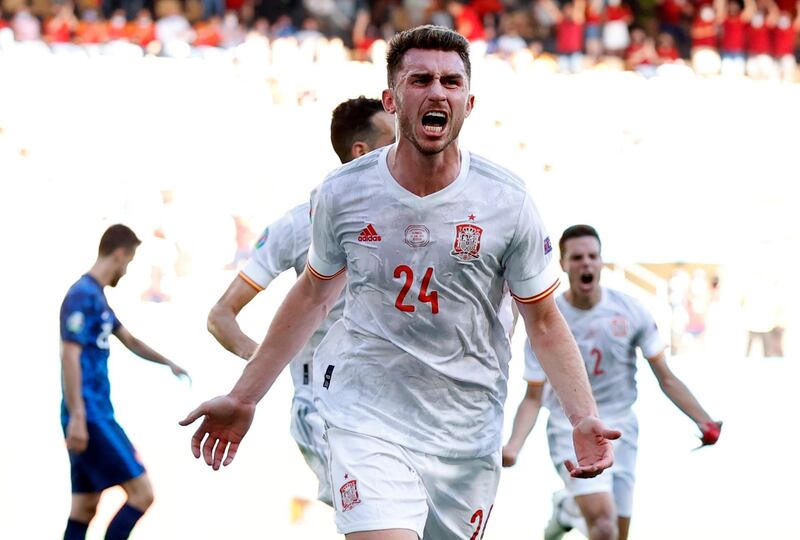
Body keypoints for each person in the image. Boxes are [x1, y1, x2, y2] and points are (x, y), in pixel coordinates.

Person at [181, 26, 618, 540]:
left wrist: (582, 415)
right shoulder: (342, 193)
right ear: (392, 99)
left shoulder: (508, 201)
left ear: (469, 102)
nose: (437, 92)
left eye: (451, 82)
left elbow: (543, 319)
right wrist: (246, 395)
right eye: (421, 80)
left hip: (466, 430)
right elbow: (314, 294)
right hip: (368, 417)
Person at [206, 96, 395, 506]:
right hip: (322, 408)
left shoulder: (408, 222)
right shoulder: (299, 225)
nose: (403, 150)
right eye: (392, 141)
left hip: (391, 405)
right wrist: (267, 360)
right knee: (377, 515)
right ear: (361, 153)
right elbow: (221, 315)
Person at [502, 224, 722, 540]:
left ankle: (566, 510)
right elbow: (534, 396)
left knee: (617, 534)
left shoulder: (631, 311)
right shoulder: (548, 322)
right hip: (571, 430)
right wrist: (514, 445)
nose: (586, 263)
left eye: (593, 256)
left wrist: (704, 420)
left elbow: (667, 378)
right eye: (577, 257)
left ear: (602, 262)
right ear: (563, 264)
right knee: (603, 526)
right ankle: (571, 508)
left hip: (622, 427)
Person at [61, 224, 190, 540]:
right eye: (130, 262)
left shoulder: (98, 298)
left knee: (85, 506)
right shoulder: (80, 296)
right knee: (142, 494)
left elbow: (129, 339)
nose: (128, 270)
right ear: (119, 254)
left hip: (95, 412)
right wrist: (78, 416)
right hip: (90, 415)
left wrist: (168, 362)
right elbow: (69, 355)